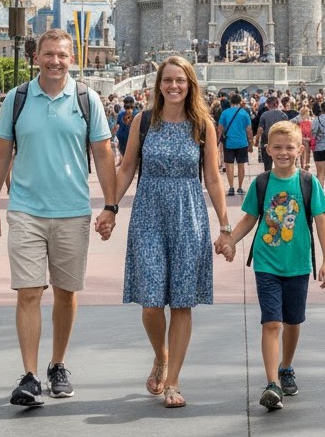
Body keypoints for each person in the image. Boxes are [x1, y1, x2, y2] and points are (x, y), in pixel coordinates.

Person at [0, 28, 117, 406]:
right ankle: (29, 376)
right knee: (28, 292)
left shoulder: (87, 99)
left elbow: (104, 154)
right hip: (26, 209)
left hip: (72, 211)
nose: (55, 61)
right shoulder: (17, 98)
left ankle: (57, 364)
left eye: (61, 55)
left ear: (71, 58)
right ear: (36, 56)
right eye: (48, 54)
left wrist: (109, 205)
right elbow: (1, 154)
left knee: (65, 293)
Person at [115, 56, 230, 409]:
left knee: (181, 302)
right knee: (151, 304)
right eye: (168, 80)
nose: (174, 86)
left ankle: (174, 381)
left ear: (190, 84)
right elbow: (127, 167)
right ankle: (161, 356)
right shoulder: (144, 121)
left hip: (188, 216)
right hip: (149, 214)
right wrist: (109, 207)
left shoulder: (202, 125)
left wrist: (225, 227)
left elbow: (212, 178)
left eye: (180, 80)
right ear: (158, 84)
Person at [217, 120, 325, 412]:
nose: (283, 153)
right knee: (272, 322)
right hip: (266, 263)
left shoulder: (308, 182)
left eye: (289, 148)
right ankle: (272, 384)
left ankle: (286, 367)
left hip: (298, 264)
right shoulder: (262, 183)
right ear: (267, 149)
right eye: (277, 148)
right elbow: (249, 219)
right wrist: (230, 240)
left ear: (300, 150)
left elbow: (321, 222)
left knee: (293, 322)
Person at [218, 92, 253, 196]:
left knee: (229, 165)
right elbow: (249, 130)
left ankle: (231, 187)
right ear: (240, 102)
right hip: (242, 143)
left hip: (229, 142)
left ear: (230, 102)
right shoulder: (244, 113)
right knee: (241, 165)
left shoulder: (225, 113)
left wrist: (217, 140)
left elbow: (220, 128)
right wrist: (251, 143)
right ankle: (240, 187)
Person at [254, 95, 287, 173]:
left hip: (266, 142)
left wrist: (256, 141)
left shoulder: (264, 115)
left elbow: (260, 129)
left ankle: (268, 180)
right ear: (277, 104)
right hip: (280, 142)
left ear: (268, 105)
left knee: (267, 165)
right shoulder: (283, 115)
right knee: (280, 164)